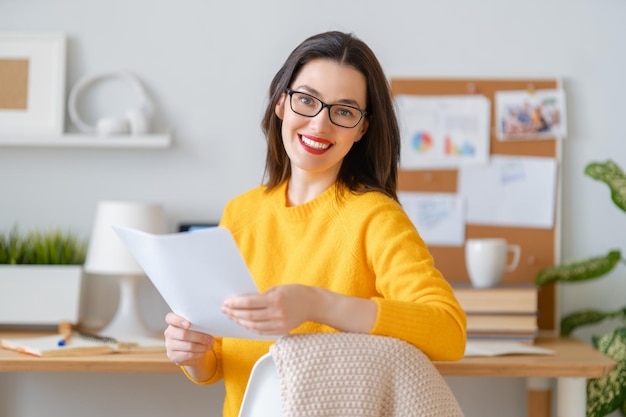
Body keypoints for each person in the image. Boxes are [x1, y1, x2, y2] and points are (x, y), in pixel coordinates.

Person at [164, 30, 467, 417]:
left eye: (343, 111)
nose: (320, 125)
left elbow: (449, 331)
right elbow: (221, 362)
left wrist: (315, 303)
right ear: (281, 104)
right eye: (306, 100)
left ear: (361, 129)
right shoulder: (240, 214)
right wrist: (194, 354)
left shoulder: (375, 216)